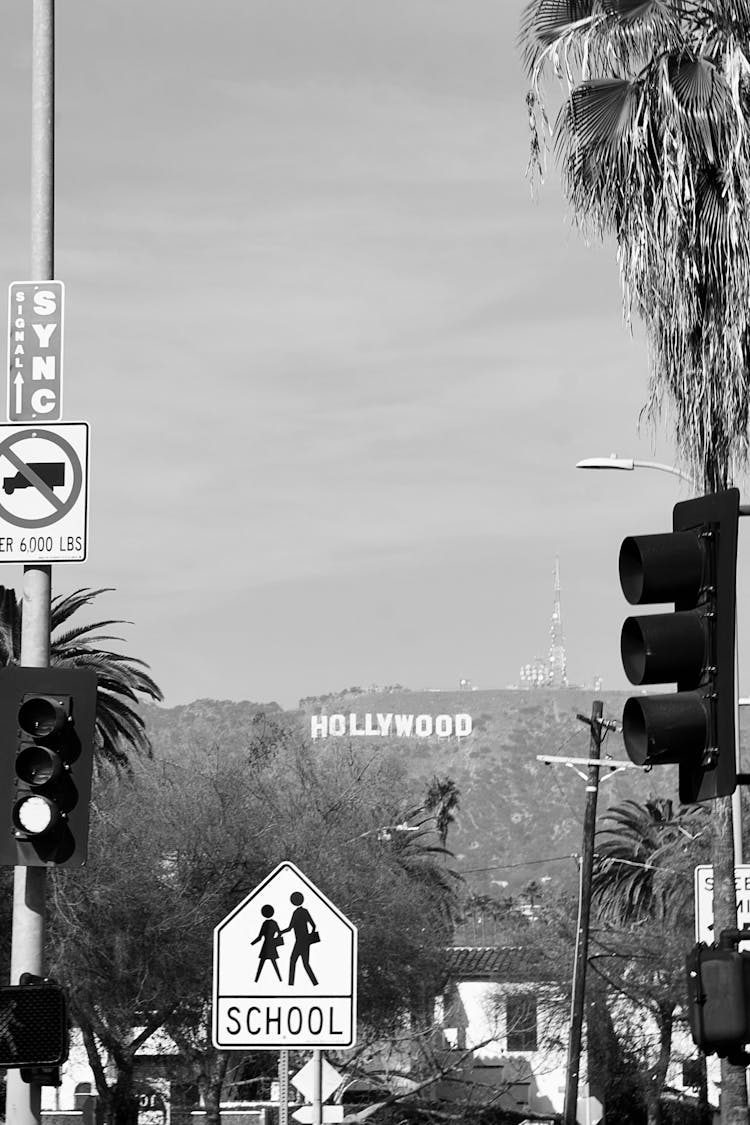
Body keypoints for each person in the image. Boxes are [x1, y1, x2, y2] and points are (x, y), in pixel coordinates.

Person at [281, 891, 319, 986]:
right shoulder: (305, 911)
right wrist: (310, 936)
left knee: (293, 960)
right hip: (306, 941)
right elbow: (313, 925)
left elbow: (290, 928)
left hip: (299, 941)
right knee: (305, 963)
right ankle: (315, 983)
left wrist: (281, 932)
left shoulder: (296, 913)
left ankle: (291, 984)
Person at [251, 904, 283, 981]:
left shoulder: (265, 924)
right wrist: (276, 940)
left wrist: (252, 943)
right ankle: (280, 979)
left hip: (266, 946)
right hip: (272, 945)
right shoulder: (274, 923)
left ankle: (256, 979)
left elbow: (259, 937)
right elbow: (279, 933)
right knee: (274, 963)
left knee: (262, 964)